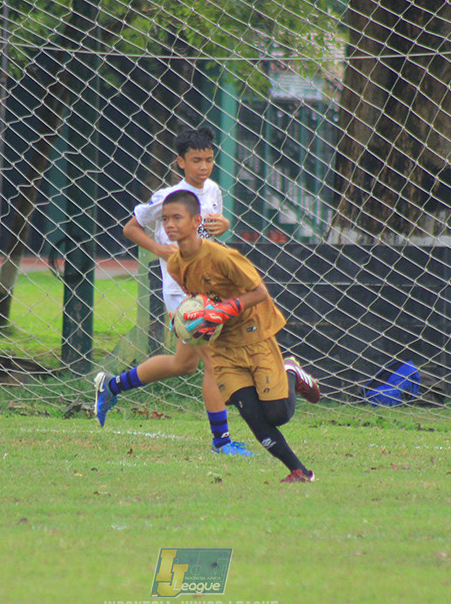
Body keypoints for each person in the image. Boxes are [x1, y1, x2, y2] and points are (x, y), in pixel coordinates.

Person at [98, 190, 318, 482]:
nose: (170, 224)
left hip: (254, 336)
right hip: (223, 346)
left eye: (177, 218)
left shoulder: (222, 257)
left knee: (276, 414)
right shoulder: (175, 265)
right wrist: (188, 318)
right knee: (253, 416)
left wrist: (224, 309)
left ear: (196, 221)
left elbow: (260, 292)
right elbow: (198, 299)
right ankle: (299, 471)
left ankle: (290, 371)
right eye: (166, 219)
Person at [112, 125, 248, 455]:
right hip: (180, 291)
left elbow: (210, 232)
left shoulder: (213, 190)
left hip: (209, 287)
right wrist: (159, 249)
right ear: (181, 162)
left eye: (209, 160)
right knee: (215, 363)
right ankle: (222, 442)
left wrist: (225, 225)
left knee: (183, 364)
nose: (204, 167)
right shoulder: (167, 198)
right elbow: (131, 228)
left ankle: (112, 387)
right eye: (196, 160)